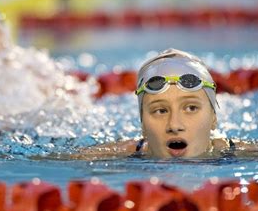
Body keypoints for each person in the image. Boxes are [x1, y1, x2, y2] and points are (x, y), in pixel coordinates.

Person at [69, 48, 237, 160]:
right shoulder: (116, 153)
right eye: (160, 111)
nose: (175, 125)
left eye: (191, 108)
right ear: (142, 124)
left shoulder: (241, 151)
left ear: (213, 118)